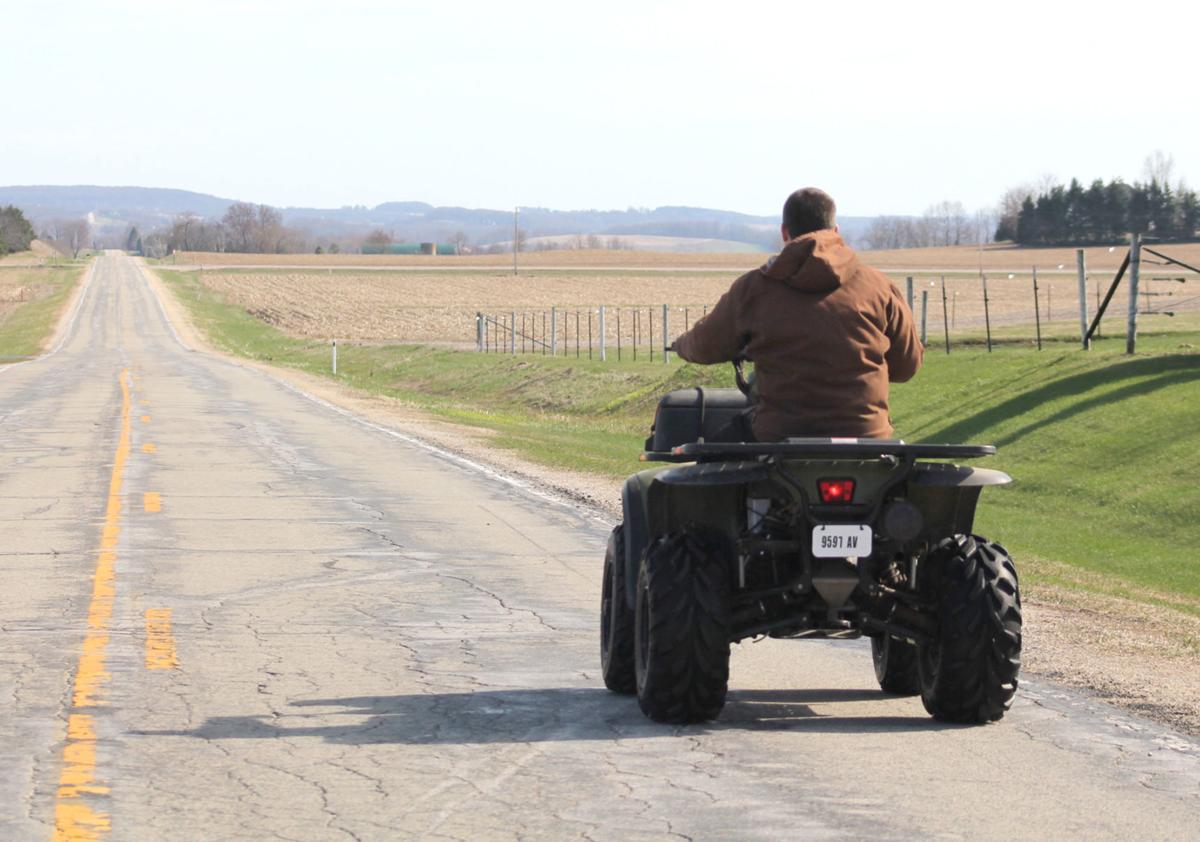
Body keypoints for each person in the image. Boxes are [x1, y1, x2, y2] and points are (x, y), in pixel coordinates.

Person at [673, 187, 922, 441]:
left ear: (784, 233)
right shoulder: (878, 286)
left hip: (779, 436)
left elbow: (705, 345)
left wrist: (680, 344)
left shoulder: (753, 288)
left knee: (712, 449)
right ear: (836, 232)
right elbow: (907, 366)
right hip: (868, 436)